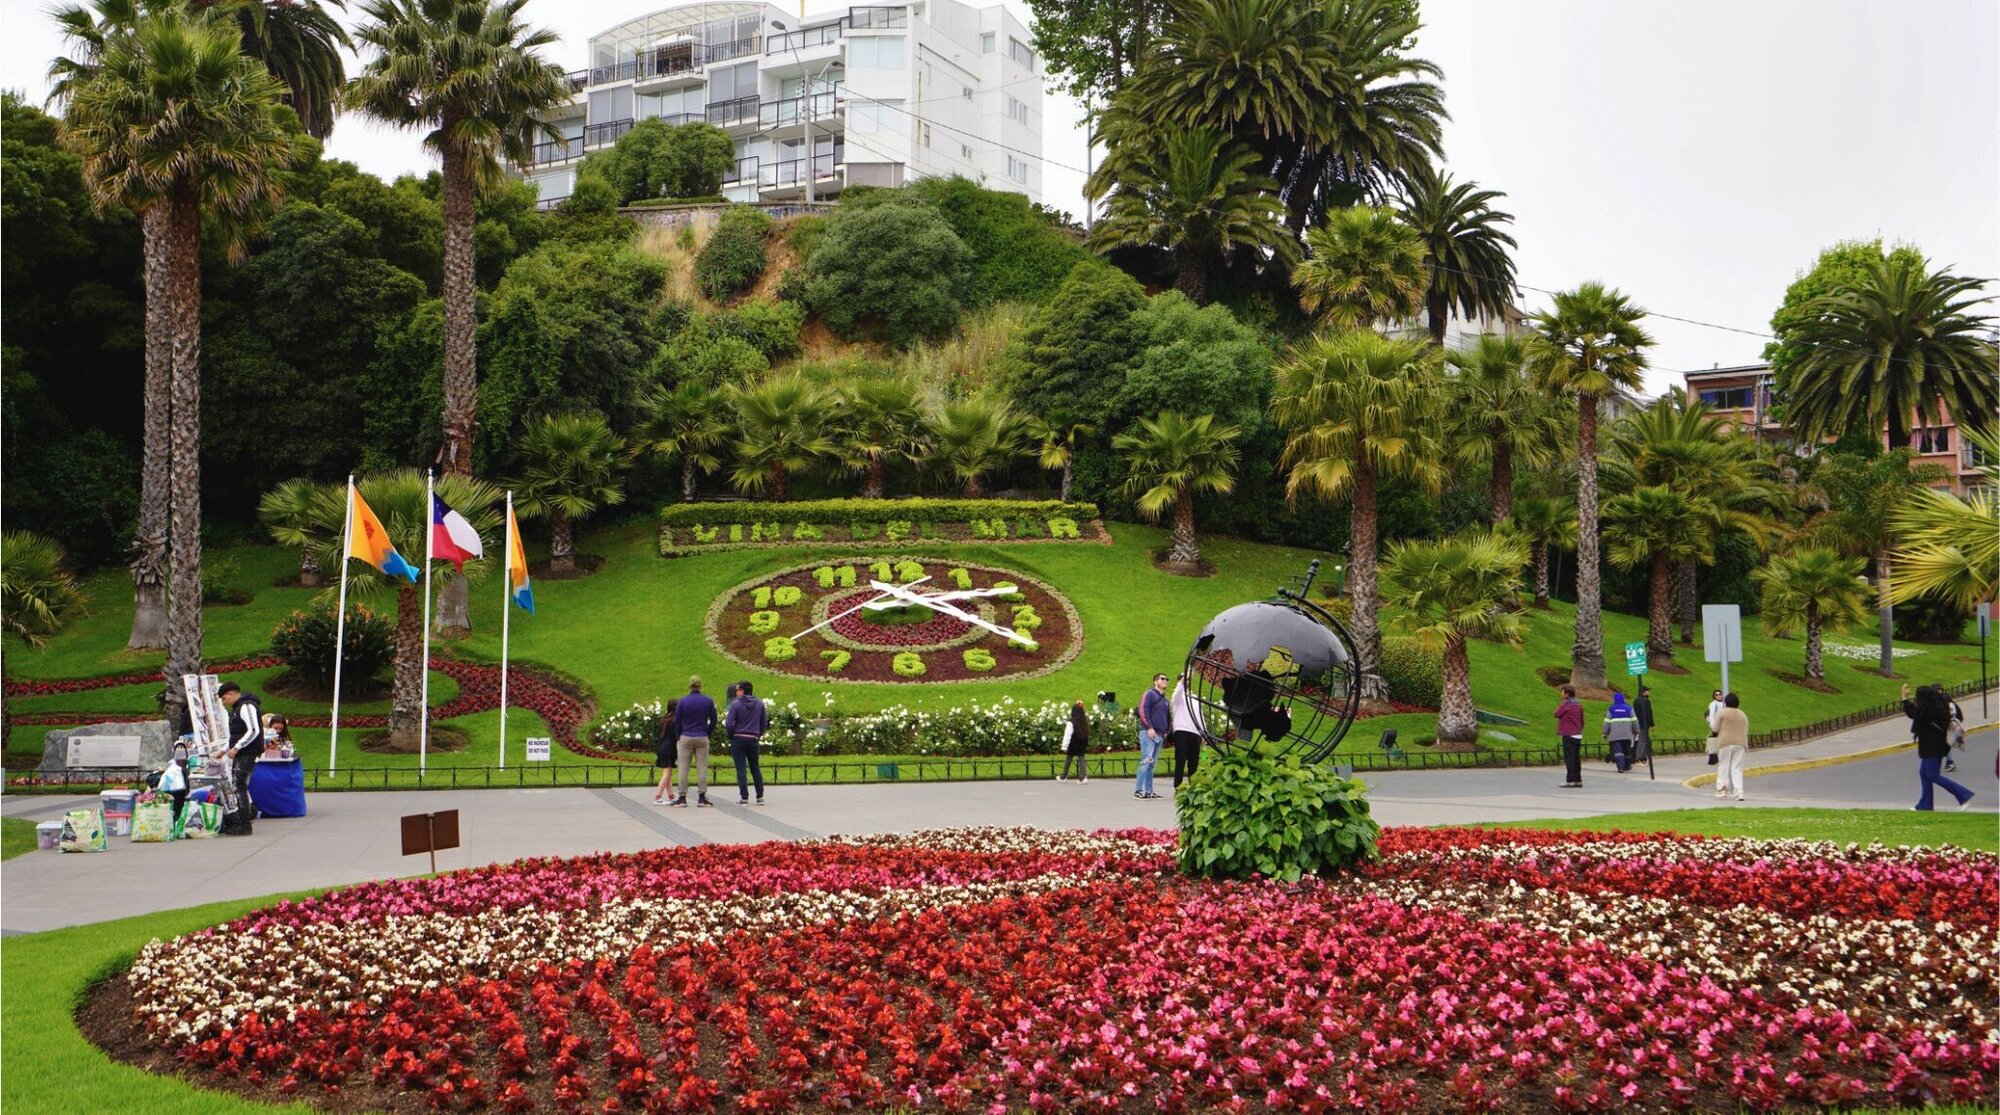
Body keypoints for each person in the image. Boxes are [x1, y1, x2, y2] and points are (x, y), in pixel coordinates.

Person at [1903, 683, 1974, 811]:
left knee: (1932, 775)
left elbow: (1914, 714)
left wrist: (1904, 698)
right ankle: (1925, 804)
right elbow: (1916, 713)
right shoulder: (1934, 706)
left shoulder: (1928, 709)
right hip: (1933, 746)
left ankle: (1963, 795)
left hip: (1933, 746)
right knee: (1924, 773)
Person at [664, 676, 717, 808]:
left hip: (686, 737)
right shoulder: (708, 701)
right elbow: (714, 720)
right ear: (700, 686)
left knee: (683, 768)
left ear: (689, 686)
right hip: (702, 737)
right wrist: (707, 733)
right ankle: (702, 798)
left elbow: (677, 721)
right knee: (702, 768)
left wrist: (679, 736)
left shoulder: (683, 701)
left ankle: (682, 798)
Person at [217, 682, 264, 813]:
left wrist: (237, 747)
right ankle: (245, 814)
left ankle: (244, 820)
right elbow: (236, 734)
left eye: (224, 698)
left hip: (248, 752)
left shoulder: (246, 706)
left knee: (239, 785)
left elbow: (254, 730)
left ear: (231, 694)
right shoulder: (237, 709)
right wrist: (224, 750)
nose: (224, 702)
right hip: (242, 752)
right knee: (237, 784)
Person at [725, 680, 769, 805]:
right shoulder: (760, 704)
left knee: (741, 769)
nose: (736, 692)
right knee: (755, 767)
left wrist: (731, 735)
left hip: (738, 738)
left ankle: (744, 797)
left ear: (742, 691)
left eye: (738, 690)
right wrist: (758, 734)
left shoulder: (736, 704)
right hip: (753, 739)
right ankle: (760, 796)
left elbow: (729, 723)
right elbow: (764, 723)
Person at [1134, 673, 1171, 800]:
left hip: (1160, 734)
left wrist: (1167, 731)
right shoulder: (1150, 694)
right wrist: (1149, 727)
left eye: (1167, 679)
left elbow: (1168, 716)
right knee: (1146, 761)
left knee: (1151, 764)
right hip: (1149, 733)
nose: (1165, 681)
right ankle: (1138, 790)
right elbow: (1143, 711)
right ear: (1155, 681)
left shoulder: (1165, 699)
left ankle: (1149, 791)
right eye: (1162, 679)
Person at [1712, 692, 1750, 801]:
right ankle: (1739, 793)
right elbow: (1746, 729)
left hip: (1725, 743)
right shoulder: (1742, 714)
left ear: (1726, 702)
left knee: (1723, 765)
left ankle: (1722, 789)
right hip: (1740, 743)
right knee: (1737, 768)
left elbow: (1715, 728)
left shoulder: (1722, 713)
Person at [1168, 676, 1203, 789]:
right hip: (1181, 731)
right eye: (1184, 680)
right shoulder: (1178, 697)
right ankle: (1178, 786)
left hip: (1195, 732)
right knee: (1181, 759)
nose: (1187, 682)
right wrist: (1182, 682)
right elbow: (1177, 695)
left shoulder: (1195, 698)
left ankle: (1193, 786)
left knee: (1194, 761)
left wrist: (1203, 732)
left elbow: (1200, 716)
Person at [650, 697, 681, 804]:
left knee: (668, 773)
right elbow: (677, 736)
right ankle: (658, 797)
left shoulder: (664, 719)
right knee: (667, 773)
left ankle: (671, 795)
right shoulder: (675, 720)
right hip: (669, 749)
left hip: (662, 748)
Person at [1553, 686, 1584, 788]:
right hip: (1577, 734)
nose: (1561, 695)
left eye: (1562, 693)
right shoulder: (1579, 705)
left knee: (1569, 759)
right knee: (1576, 758)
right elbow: (1582, 720)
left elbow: (1556, 714)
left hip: (1568, 733)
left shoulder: (1566, 704)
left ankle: (1570, 780)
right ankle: (1578, 779)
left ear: (1567, 694)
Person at [1602, 691, 1637, 773]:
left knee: (1618, 751)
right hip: (1627, 734)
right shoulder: (1629, 709)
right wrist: (1636, 730)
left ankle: (1620, 767)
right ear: (1623, 699)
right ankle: (1627, 766)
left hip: (1615, 735)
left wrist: (1604, 732)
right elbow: (1635, 721)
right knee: (1626, 751)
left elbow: (1606, 722)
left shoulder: (1611, 709)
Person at [1057, 700, 1090, 783]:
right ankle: (1083, 777)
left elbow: (1067, 735)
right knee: (1081, 758)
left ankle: (1064, 776)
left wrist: (1064, 746)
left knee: (1068, 759)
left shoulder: (1071, 722)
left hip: (1073, 742)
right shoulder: (1084, 722)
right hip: (1082, 742)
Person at [1632, 684, 1655, 765]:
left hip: (1638, 723)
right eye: (1647, 691)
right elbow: (1649, 713)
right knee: (1643, 741)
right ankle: (1639, 758)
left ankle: (1642, 757)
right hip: (1644, 723)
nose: (1649, 692)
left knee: (1642, 740)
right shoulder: (1646, 701)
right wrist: (1652, 724)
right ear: (1644, 692)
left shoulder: (1636, 700)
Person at [1705, 688, 1725, 767]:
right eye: (1716, 694)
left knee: (1720, 741)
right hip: (1716, 725)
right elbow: (1711, 715)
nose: (1718, 696)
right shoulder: (1713, 704)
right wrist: (1713, 726)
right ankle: (1713, 759)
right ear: (1714, 696)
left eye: (1720, 694)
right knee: (1715, 741)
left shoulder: (1724, 704)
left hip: (1723, 725)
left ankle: (1719, 757)